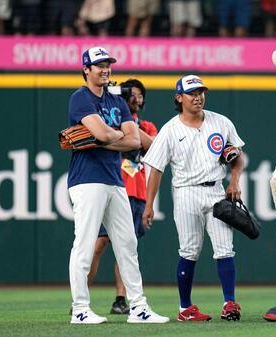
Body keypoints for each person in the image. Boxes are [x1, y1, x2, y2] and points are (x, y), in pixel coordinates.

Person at [67, 46, 169, 324]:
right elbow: (104, 133)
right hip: (87, 179)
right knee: (85, 244)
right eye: (99, 64)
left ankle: (138, 308)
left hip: (114, 180)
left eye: (108, 64)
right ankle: (79, 309)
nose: (105, 68)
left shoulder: (118, 102)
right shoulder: (80, 98)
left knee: (127, 244)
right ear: (86, 69)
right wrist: (111, 136)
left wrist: (104, 138)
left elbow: (134, 141)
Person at [142, 75, 245, 322]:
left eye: (201, 92)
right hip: (186, 192)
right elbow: (156, 168)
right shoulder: (170, 130)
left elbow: (237, 155)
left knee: (224, 248)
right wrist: (149, 205)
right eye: (191, 93)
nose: (198, 96)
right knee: (189, 250)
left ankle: (229, 303)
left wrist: (233, 181)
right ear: (179, 97)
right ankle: (185, 308)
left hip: (216, 191)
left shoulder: (220, 122)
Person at [87, 78, 158, 315]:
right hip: (112, 186)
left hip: (136, 194)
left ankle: (121, 299)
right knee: (98, 245)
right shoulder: (110, 121)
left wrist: (129, 123)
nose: (134, 98)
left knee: (126, 247)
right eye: (130, 94)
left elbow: (153, 147)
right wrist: (121, 118)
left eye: (138, 95)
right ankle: (81, 298)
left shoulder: (146, 126)